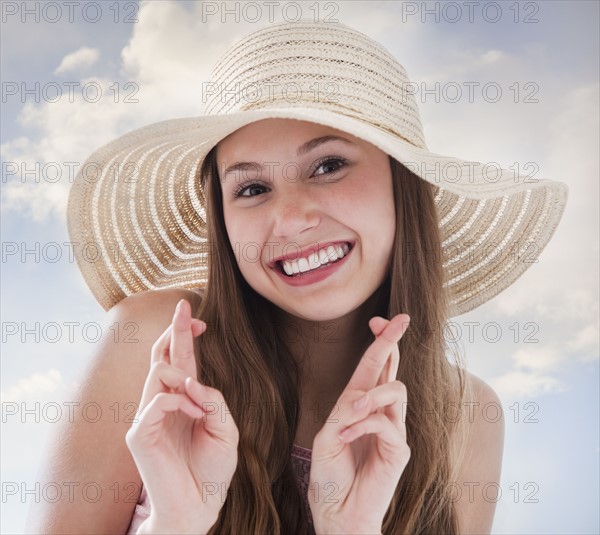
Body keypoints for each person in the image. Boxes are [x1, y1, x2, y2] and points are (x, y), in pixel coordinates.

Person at [26, 20, 568, 535]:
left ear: (402, 185)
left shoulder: (467, 417)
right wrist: (175, 524)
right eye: (252, 189)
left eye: (328, 166)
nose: (290, 219)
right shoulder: (158, 346)